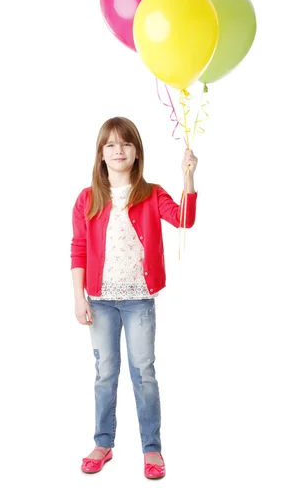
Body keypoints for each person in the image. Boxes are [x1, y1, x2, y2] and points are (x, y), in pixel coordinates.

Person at [70, 116, 198, 479]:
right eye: (110, 145)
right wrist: (79, 298)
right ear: (101, 155)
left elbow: (184, 219)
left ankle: (152, 448)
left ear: (137, 152)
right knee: (104, 373)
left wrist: (188, 175)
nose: (118, 150)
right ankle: (103, 441)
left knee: (144, 373)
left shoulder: (151, 193)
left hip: (139, 299)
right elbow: (78, 249)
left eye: (125, 143)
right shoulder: (87, 199)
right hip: (100, 301)